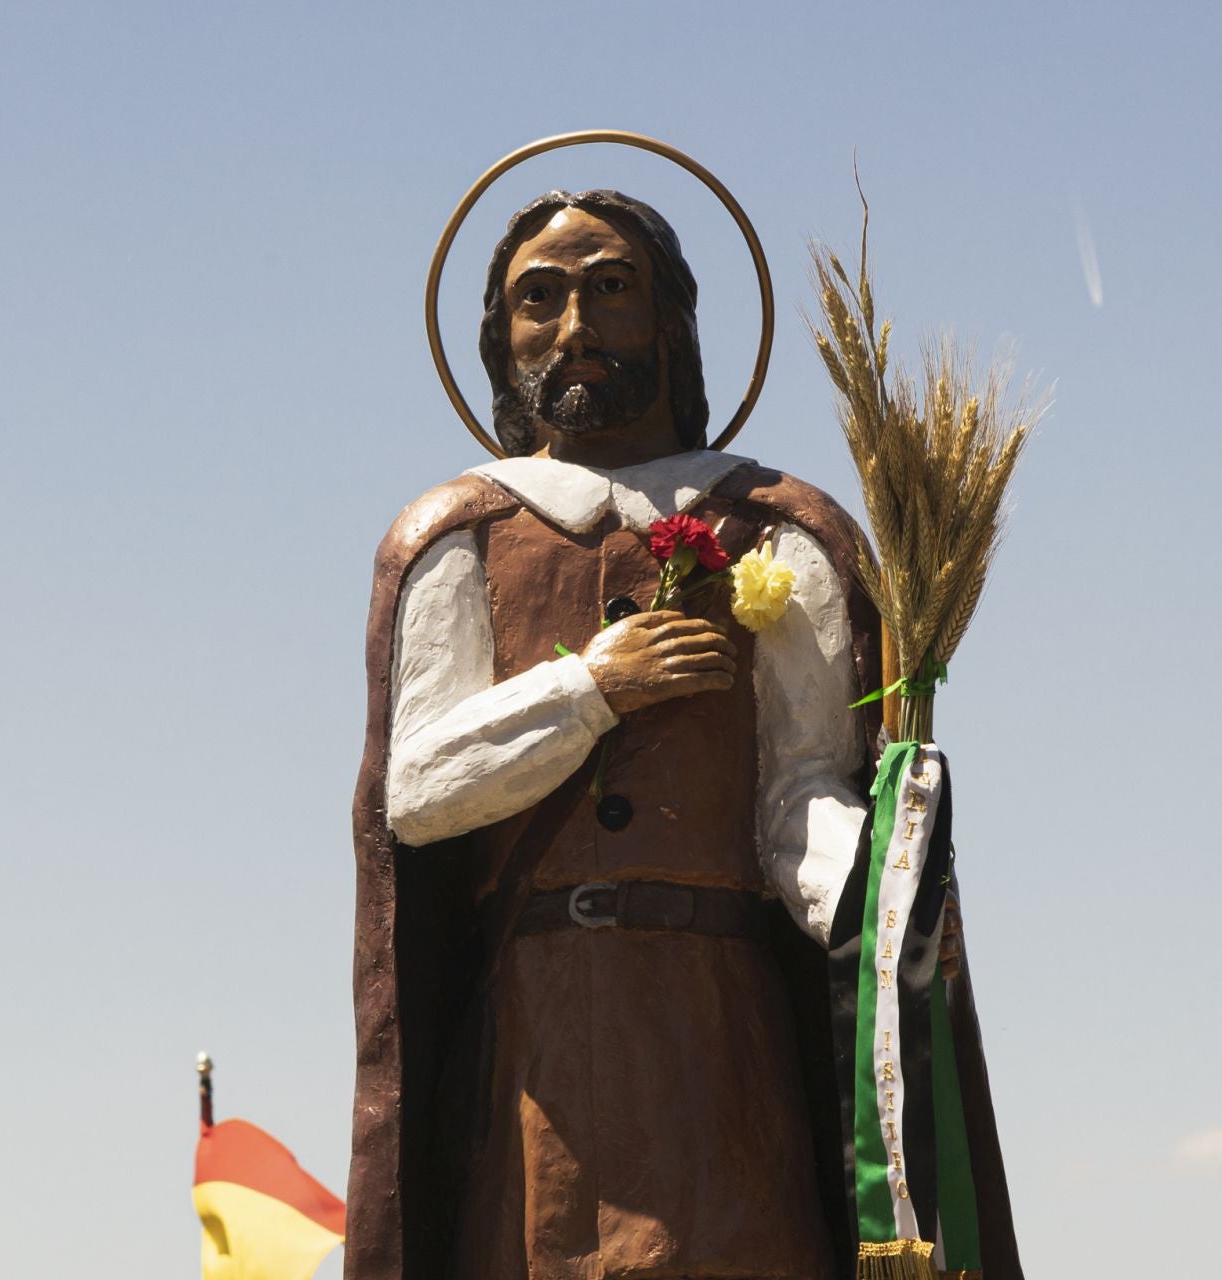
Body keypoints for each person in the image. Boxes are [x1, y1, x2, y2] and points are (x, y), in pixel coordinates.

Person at [347, 189, 887, 1280]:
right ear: (502, 339)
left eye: (611, 287)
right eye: (538, 299)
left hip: (715, 1021)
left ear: (670, 321)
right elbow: (419, 786)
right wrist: (594, 684)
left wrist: (879, 877)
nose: (577, 326)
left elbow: (802, 794)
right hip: (540, 1034)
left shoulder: (779, 525)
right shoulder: (459, 530)